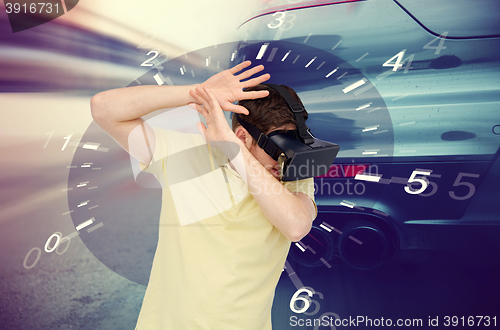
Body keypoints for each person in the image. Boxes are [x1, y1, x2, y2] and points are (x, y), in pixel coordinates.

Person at [90, 60, 317, 329]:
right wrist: (197, 92)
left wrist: (236, 151)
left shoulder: (292, 174)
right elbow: (102, 108)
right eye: (278, 146)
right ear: (243, 136)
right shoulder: (185, 154)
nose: (283, 158)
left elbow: (296, 226)